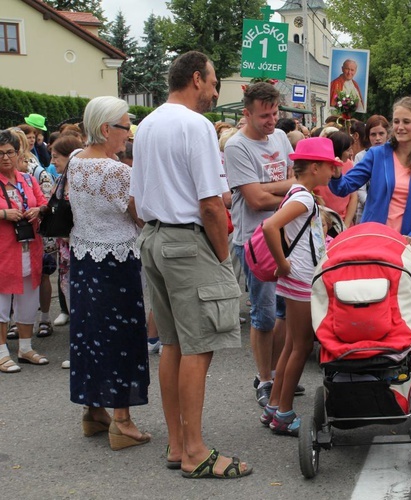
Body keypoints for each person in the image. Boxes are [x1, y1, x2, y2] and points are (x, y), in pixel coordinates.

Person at [131, 51, 251, 478]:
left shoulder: (147, 124)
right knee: (198, 345)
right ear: (196, 79)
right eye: (214, 82)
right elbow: (212, 205)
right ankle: (195, 452)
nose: (216, 91)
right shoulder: (195, 125)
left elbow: (134, 199)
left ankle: (178, 443)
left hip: (156, 237)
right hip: (189, 241)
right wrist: (221, 255)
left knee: (172, 344)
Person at [67, 96, 150, 450]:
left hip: (84, 259)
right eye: (125, 126)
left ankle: (93, 410)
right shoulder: (116, 171)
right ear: (105, 129)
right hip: (116, 262)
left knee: (88, 333)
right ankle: (122, 420)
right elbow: (139, 215)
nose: (128, 134)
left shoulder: (74, 161)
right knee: (122, 338)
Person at [224, 82, 296, 408]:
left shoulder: (281, 137)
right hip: (254, 242)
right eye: (264, 115)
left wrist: (276, 188)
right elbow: (255, 201)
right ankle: (264, 379)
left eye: (275, 113)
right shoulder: (237, 147)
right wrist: (291, 187)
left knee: (286, 312)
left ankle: (277, 371)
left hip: (285, 236)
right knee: (264, 315)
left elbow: (288, 190)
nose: (271, 120)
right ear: (247, 113)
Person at [259, 137, 334, 435]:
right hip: (301, 278)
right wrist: (283, 263)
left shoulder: (296, 192)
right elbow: (269, 226)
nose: (332, 172)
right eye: (330, 166)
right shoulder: (303, 197)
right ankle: (285, 414)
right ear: (315, 167)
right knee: (301, 346)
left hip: (296, 278)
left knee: (291, 344)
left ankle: (274, 406)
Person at [329, 96, 411, 247]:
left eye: (406, 122)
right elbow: (343, 187)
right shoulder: (377, 154)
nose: (400, 127)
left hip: (405, 245)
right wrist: (336, 176)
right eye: (396, 121)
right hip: (373, 240)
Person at [0, 129, 49, 373]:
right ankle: (1, 353)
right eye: (0, 154)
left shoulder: (27, 179)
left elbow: (43, 201)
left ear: (18, 153)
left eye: (10, 152)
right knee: (1, 301)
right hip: (3, 252)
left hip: (30, 248)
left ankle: (25, 348)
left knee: (28, 300)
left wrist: (37, 211)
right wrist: (3, 213)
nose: (6, 158)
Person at [49, 134, 84, 369]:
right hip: (65, 250)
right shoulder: (63, 179)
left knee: (82, 302)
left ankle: (82, 352)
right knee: (72, 299)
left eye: (55, 157)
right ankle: (79, 350)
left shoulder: (78, 179)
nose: (52, 162)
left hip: (79, 247)